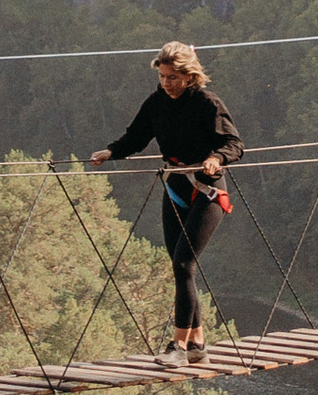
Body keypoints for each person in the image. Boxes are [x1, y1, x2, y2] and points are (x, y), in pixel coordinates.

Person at [92, 39, 244, 364]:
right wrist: (111, 152)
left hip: (209, 192)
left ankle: (177, 348)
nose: (166, 83)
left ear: (189, 76)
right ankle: (198, 345)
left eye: (172, 77)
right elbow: (136, 135)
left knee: (184, 263)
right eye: (162, 77)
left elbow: (234, 143)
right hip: (175, 186)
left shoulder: (207, 102)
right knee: (180, 269)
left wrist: (217, 158)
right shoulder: (157, 102)